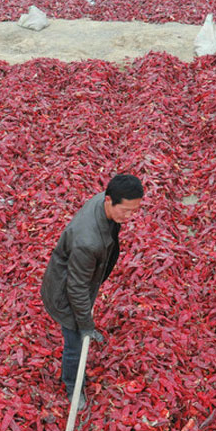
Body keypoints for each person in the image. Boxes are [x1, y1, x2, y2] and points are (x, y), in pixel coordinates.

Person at [40, 174, 144, 409]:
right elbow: (76, 289)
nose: (129, 217)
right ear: (109, 200)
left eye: (134, 210)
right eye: (126, 211)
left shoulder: (104, 204)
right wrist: (86, 324)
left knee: (79, 329)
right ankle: (72, 387)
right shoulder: (89, 241)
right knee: (75, 341)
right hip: (65, 293)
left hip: (77, 277)